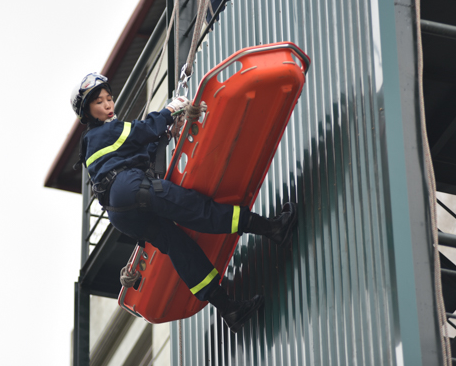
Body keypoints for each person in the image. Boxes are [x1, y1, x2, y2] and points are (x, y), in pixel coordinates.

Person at [71, 73, 297, 333]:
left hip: (121, 213)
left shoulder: (98, 143)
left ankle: (229, 309)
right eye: (99, 102)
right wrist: (170, 111)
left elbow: (142, 153)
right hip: (129, 189)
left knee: (180, 247)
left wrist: (168, 132)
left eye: (109, 98)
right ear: (88, 112)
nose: (108, 105)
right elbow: (142, 131)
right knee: (194, 208)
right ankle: (272, 228)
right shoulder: (104, 132)